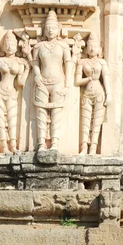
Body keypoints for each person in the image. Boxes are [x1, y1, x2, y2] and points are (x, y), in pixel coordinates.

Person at [32, 11, 72, 152]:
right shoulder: (39, 46)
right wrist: (37, 75)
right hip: (42, 81)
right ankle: (41, 143)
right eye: (47, 28)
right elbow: (35, 62)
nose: (50, 30)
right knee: (41, 112)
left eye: (53, 27)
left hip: (58, 82)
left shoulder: (63, 46)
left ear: (58, 29)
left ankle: (55, 142)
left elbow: (68, 64)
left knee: (56, 113)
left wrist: (68, 84)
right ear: (44, 29)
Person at [0, 31, 31, 154]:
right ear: (3, 46)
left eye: (12, 44)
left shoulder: (19, 62)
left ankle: (13, 146)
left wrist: (27, 68)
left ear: (16, 46)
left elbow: (20, 83)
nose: (9, 46)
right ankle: (3, 146)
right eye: (7, 44)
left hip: (12, 94)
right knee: (0, 121)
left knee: (12, 120)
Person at [75, 36, 111, 155]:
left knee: (96, 122)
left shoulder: (102, 62)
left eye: (94, 46)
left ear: (100, 49)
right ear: (86, 49)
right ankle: (84, 147)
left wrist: (108, 93)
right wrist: (89, 78)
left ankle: (93, 149)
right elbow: (77, 81)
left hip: (99, 93)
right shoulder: (82, 62)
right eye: (89, 46)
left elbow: (106, 78)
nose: (91, 49)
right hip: (87, 94)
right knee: (85, 121)